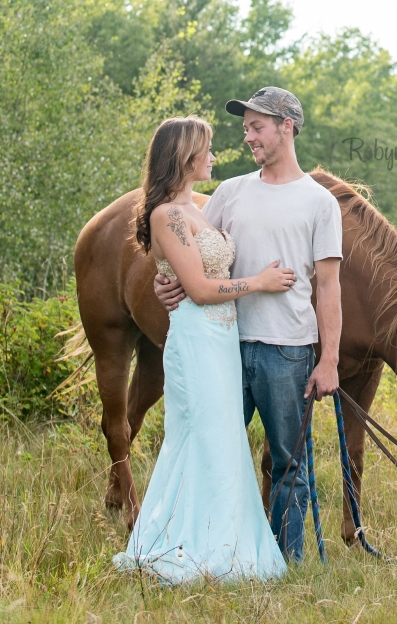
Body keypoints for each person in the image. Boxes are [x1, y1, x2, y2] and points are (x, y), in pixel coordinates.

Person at [154, 87, 342, 563]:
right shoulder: (229, 192)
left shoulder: (319, 203)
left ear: (287, 126)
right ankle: (206, 549)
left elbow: (328, 289)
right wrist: (164, 284)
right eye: (245, 129)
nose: (249, 137)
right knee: (213, 452)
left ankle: (284, 561)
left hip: (289, 351)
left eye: (257, 127)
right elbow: (195, 255)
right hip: (224, 349)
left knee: (288, 464)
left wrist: (330, 361)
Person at [113, 115, 292, 584]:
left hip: (220, 340)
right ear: (185, 156)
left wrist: (165, 278)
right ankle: (196, 544)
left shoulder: (197, 211)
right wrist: (261, 282)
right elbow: (198, 288)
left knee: (223, 441)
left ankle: (225, 538)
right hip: (197, 339)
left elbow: (190, 272)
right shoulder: (167, 215)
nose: (213, 156)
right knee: (203, 439)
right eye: (207, 149)